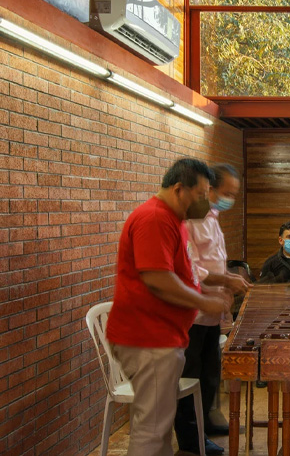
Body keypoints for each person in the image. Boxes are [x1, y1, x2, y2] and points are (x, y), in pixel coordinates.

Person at [105, 158, 234, 456]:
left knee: (158, 429)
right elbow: (157, 278)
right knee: (151, 431)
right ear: (179, 189)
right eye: (201, 195)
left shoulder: (173, 220)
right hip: (147, 337)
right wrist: (204, 300)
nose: (206, 202)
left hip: (162, 336)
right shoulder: (154, 218)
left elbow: (181, 273)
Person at [177, 164, 250, 456]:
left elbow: (216, 258)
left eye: (233, 194)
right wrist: (224, 280)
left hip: (211, 310)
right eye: (226, 193)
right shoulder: (191, 220)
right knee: (190, 377)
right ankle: (190, 440)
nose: (228, 199)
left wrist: (228, 286)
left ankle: (205, 423)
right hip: (193, 311)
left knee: (209, 375)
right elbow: (192, 267)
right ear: (210, 190)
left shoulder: (213, 216)